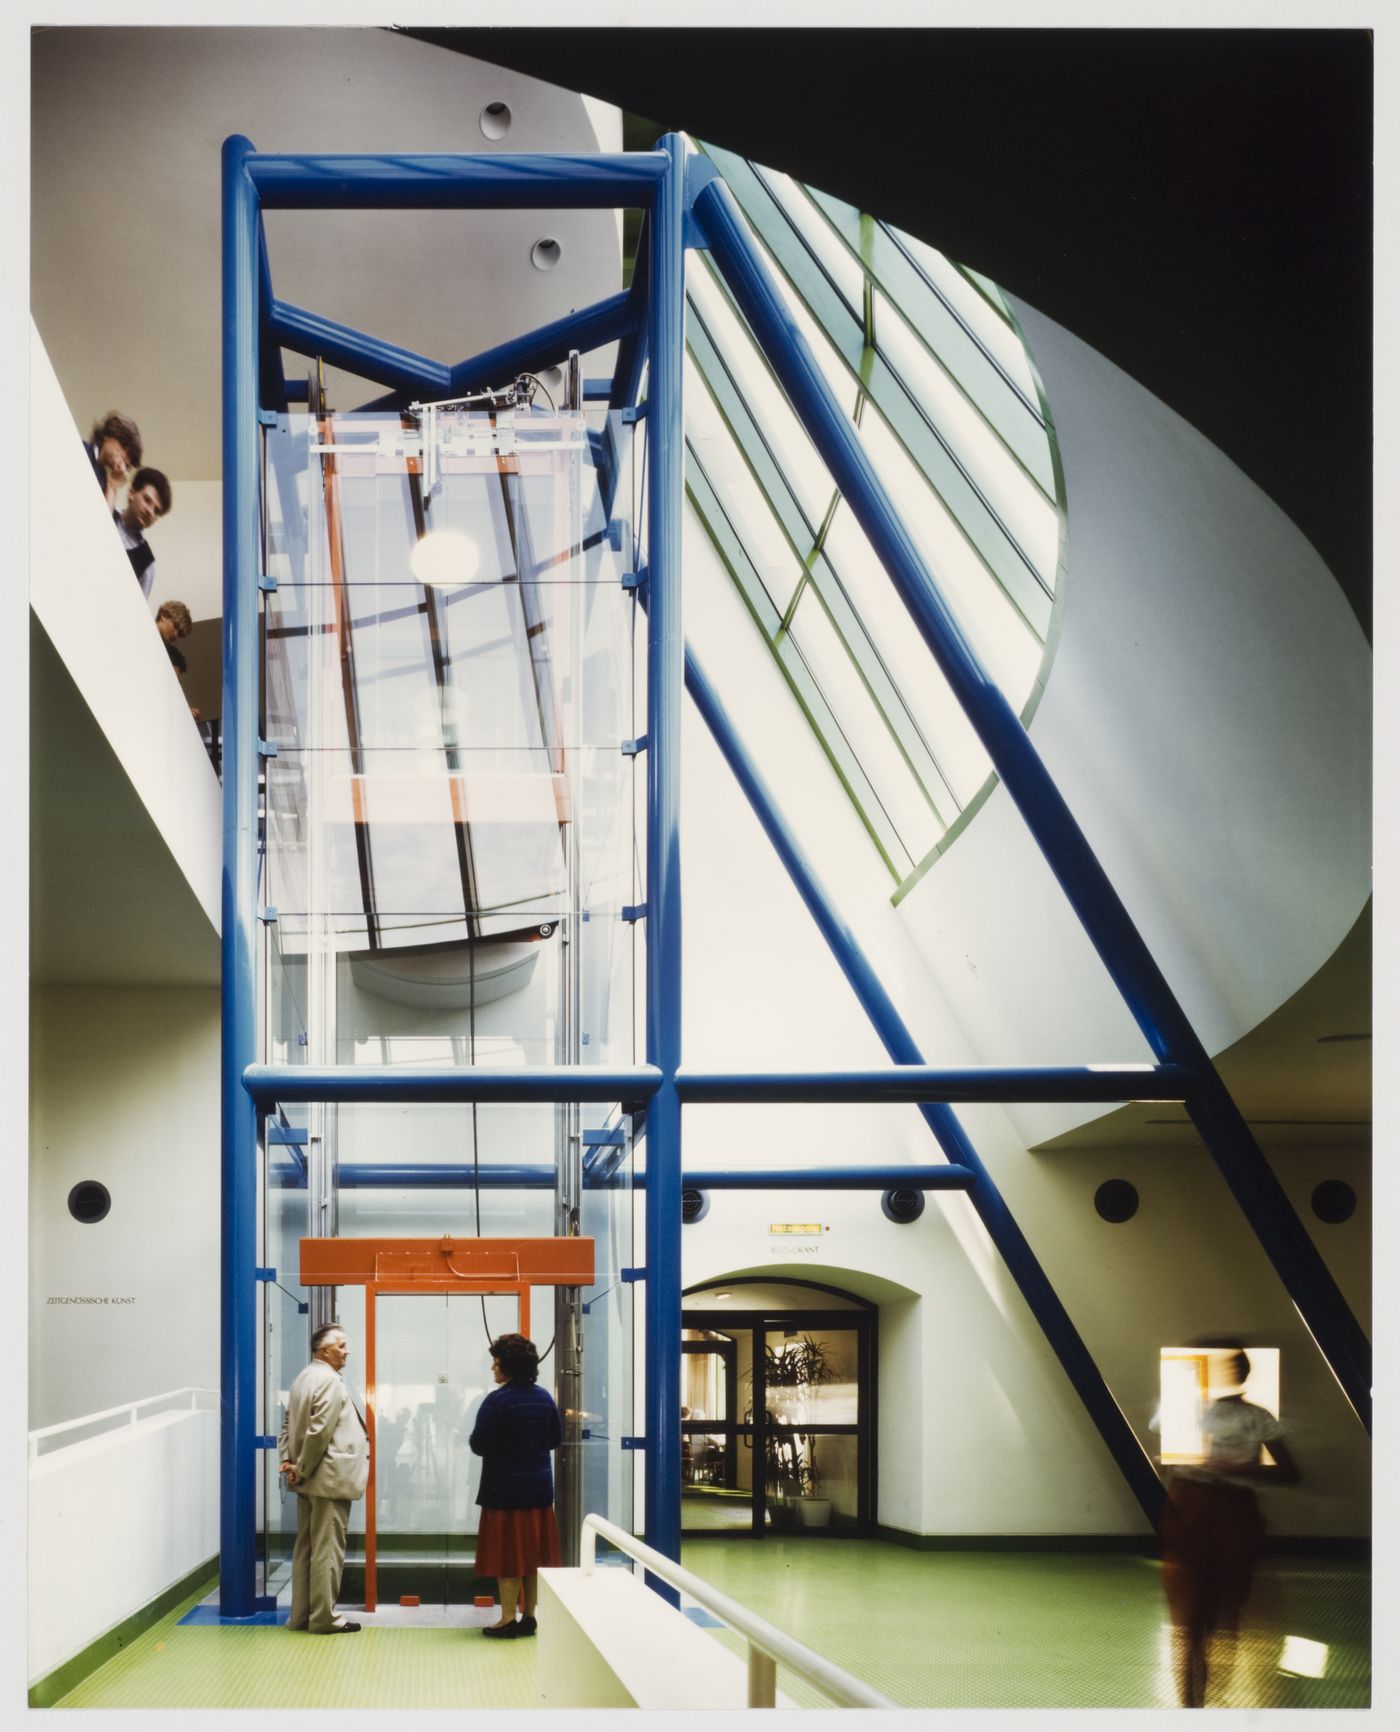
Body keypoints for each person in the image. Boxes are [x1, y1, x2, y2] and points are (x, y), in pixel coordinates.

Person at [1158, 1345, 1300, 1708]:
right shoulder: (1201, 1413)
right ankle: (1192, 1703)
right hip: (1195, 1509)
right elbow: (1177, 1458)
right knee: (1195, 1618)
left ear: (1242, 1374)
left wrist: (1239, 1469)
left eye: (1233, 1367)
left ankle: (1203, 1699)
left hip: (1230, 1515)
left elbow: (1290, 1472)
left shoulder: (1258, 1417)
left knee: (1221, 1614)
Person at [278, 1323, 370, 1635]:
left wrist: (288, 1462)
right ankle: (324, 1619)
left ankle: (301, 1616)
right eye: (341, 1346)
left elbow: (288, 1424)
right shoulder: (329, 1381)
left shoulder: (303, 1378)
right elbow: (320, 1432)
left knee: (305, 1548)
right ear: (323, 1351)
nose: (347, 1351)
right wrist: (302, 1466)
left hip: (308, 1480)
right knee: (328, 1549)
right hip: (328, 1479)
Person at [469, 1333, 562, 1639]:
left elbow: (478, 1444)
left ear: (509, 1367)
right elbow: (554, 1440)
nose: (493, 1369)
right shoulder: (544, 1398)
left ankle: (507, 1617)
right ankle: (530, 1615)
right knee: (533, 1558)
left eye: (497, 1363)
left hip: (504, 1493)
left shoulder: (496, 1402)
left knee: (508, 1556)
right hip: (538, 1492)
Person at [114, 467, 172, 597]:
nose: (150, 511)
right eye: (147, 499)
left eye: (157, 511)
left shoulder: (147, 564)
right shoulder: (105, 509)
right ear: (132, 493)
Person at [85, 412, 143, 509]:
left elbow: (101, 521)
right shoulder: (81, 448)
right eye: (124, 446)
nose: (126, 460)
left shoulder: (106, 484)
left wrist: (113, 485)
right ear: (108, 434)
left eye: (130, 461)